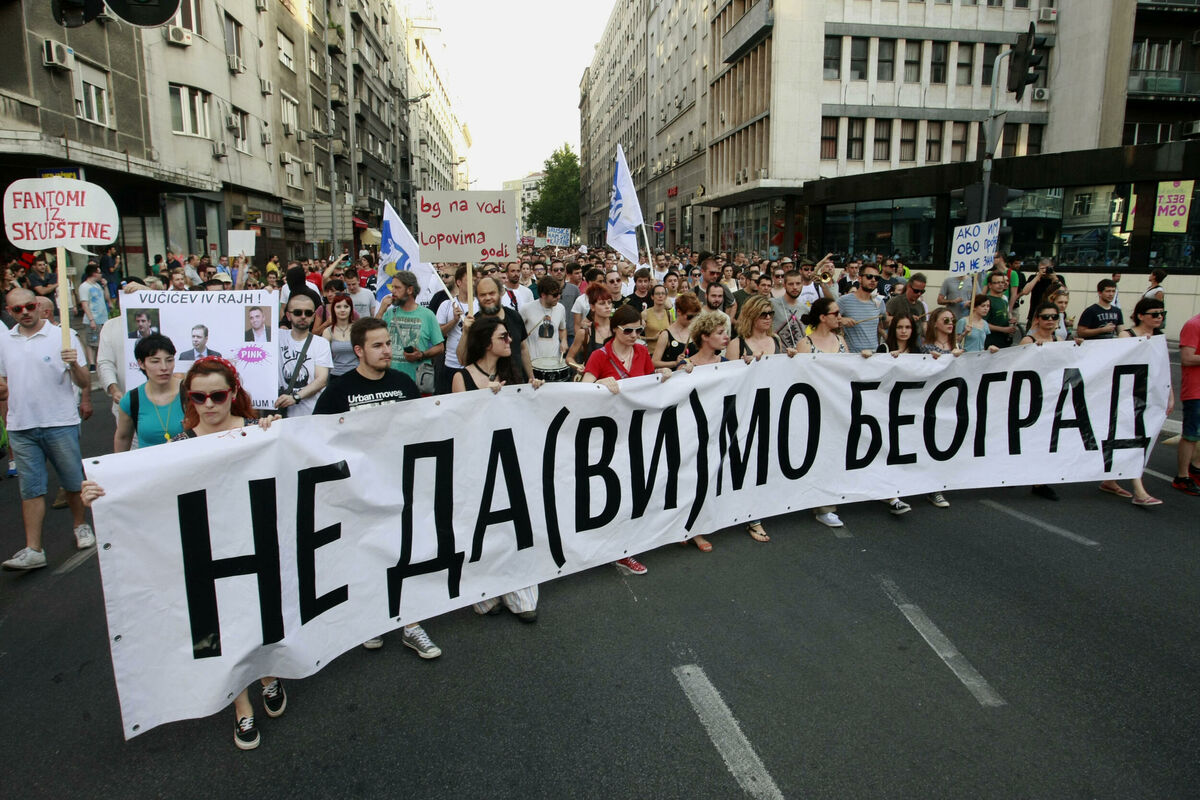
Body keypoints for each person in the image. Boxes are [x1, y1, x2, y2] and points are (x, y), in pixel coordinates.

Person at [83, 356, 286, 749]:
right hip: (205, 550)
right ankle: (241, 706)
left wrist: (276, 431)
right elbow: (141, 489)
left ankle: (268, 674)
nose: (209, 405)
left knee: (261, 617)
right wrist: (100, 493)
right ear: (188, 399)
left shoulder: (259, 430)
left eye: (218, 396)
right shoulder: (177, 446)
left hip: (256, 542)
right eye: (198, 397)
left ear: (233, 394)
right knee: (221, 629)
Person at [313, 318, 444, 655]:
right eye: (377, 345)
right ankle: (371, 622)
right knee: (366, 557)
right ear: (358, 350)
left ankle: (411, 624)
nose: (387, 350)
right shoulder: (338, 391)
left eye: (388, 343)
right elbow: (317, 437)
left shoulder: (403, 382)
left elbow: (422, 427)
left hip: (400, 485)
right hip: (359, 492)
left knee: (406, 553)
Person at [451, 317, 544, 621]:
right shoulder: (461, 377)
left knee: (514, 525)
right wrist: (481, 400)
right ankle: (485, 590)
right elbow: (459, 425)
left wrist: (534, 392)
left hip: (511, 462)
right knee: (483, 528)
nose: (510, 341)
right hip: (478, 466)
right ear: (486, 342)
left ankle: (518, 589)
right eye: (503, 337)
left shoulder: (512, 371)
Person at [583, 305, 673, 575]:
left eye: (639, 330)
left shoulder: (642, 352)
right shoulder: (599, 355)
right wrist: (600, 384)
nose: (635, 335)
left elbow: (649, 384)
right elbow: (583, 388)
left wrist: (664, 377)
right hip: (608, 437)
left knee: (634, 489)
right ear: (615, 330)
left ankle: (625, 546)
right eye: (629, 330)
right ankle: (613, 547)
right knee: (610, 492)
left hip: (637, 432)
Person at [1096, 298, 1170, 505]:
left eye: (1162, 314)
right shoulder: (1126, 335)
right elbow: (1118, 363)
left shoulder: (1159, 338)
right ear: (1140, 316)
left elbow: (1164, 370)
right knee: (1134, 438)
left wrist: (1170, 395)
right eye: (1154, 314)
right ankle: (1140, 491)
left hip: (1151, 395)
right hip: (1127, 394)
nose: (1159, 317)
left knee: (1140, 437)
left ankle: (1110, 481)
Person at [114, 332, 185, 451]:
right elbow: (123, 438)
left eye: (169, 360)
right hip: (148, 462)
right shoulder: (131, 399)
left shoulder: (189, 391)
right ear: (141, 363)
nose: (164, 367)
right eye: (155, 361)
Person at [377, 270, 445, 392]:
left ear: (410, 290)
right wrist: (381, 310)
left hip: (417, 383)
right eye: (392, 287)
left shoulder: (427, 315)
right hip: (391, 380)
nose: (393, 291)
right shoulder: (389, 313)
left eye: (397, 288)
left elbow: (440, 347)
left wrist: (421, 355)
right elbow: (373, 334)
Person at [458, 276, 531, 382]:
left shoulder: (514, 316)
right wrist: (465, 333)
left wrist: (531, 377)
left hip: (516, 382)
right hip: (488, 385)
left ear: (500, 293)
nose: (488, 298)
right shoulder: (474, 323)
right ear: (477, 297)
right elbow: (462, 360)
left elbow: (523, 349)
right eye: (483, 295)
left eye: (492, 293)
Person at [275, 294, 332, 416]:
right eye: (297, 312)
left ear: (313, 316)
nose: (303, 316)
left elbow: (321, 379)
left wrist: (295, 397)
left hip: (310, 414)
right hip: (280, 414)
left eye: (308, 313)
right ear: (288, 316)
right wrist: (266, 293)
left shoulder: (321, 343)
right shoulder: (277, 337)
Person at [1172, 310, 1200, 495]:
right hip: (1196, 390)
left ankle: (1196, 467)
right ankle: (1182, 477)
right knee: (1191, 434)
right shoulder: (1194, 325)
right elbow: (1187, 358)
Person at [520, 274, 567, 380]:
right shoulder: (526, 309)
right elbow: (517, 333)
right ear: (543, 295)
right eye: (555, 295)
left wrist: (564, 341)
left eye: (560, 293)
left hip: (554, 363)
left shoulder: (561, 308)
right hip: (532, 364)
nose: (558, 297)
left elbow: (562, 329)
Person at [566, 284, 615, 374]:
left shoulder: (617, 329)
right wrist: (578, 366)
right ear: (592, 307)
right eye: (602, 303)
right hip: (591, 378)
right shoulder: (584, 333)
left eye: (609, 302)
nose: (608, 306)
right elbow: (569, 358)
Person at [838, 262, 886, 353]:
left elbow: (883, 325)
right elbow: (828, 319)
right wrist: (841, 320)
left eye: (877, 278)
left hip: (873, 354)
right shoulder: (844, 300)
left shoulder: (879, 301)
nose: (873, 280)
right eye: (869, 276)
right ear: (859, 279)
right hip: (852, 355)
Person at [651, 291, 700, 370]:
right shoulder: (665, 335)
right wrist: (675, 363)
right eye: (690, 317)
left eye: (696, 316)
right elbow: (654, 362)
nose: (692, 320)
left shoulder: (695, 331)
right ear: (679, 311)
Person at [322, 293, 358, 377]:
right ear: (333, 309)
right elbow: (324, 359)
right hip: (335, 375)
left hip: (356, 375)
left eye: (346, 306)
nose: (342, 310)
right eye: (338, 307)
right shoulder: (327, 332)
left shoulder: (358, 329)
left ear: (351, 309)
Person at [983, 270, 1018, 349]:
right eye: (997, 283)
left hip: (1004, 342)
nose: (1001, 285)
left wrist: (1011, 321)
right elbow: (982, 324)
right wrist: (1003, 329)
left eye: (1002, 282)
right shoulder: (986, 301)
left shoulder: (1004, 300)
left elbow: (1002, 317)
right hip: (990, 343)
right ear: (990, 285)